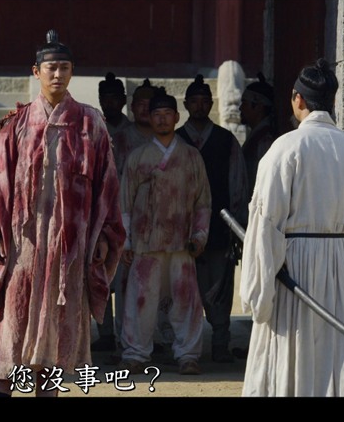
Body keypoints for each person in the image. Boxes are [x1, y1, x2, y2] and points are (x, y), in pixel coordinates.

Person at [0, 30, 125, 397]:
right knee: (14, 322)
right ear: (36, 71)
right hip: (22, 246)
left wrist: (104, 236)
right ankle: (2, 389)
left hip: (70, 247)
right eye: (51, 68)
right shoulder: (17, 124)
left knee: (57, 330)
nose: (58, 75)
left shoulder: (90, 124)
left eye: (65, 68)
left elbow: (107, 187)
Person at [240, 58, 344, 397]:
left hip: (297, 267)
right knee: (340, 356)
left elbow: (266, 226)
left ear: (298, 99)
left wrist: (259, 293)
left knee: (296, 354)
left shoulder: (284, 149)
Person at [117, 87, 211, 376]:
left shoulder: (192, 156)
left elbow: (203, 202)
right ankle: (135, 353)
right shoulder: (137, 157)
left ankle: (187, 354)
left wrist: (199, 235)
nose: (161, 119)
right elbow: (125, 203)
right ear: (150, 117)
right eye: (156, 114)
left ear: (176, 117)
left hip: (182, 241)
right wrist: (126, 241)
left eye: (167, 114)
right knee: (140, 301)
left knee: (185, 301)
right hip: (145, 242)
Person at [176, 74, 248, 363]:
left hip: (219, 226)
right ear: (185, 105)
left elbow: (238, 185)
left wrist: (238, 228)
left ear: (211, 104)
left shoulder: (225, 140)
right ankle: (184, 349)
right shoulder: (175, 140)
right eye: (194, 101)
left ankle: (220, 343)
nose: (199, 106)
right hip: (181, 229)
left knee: (220, 288)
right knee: (182, 290)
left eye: (204, 101)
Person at [90, 71, 129, 353]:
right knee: (99, 274)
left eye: (116, 98)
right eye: (106, 98)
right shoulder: (93, 130)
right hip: (99, 213)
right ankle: (104, 333)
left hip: (127, 212)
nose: (111, 103)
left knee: (127, 280)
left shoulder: (135, 135)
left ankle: (127, 335)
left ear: (124, 101)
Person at [239, 72, 277, 194]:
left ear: (258, 107)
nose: (240, 108)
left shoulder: (266, 140)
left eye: (244, 103)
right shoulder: (258, 136)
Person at [98, 71, 129, 137]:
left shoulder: (134, 130)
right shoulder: (93, 130)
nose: (109, 103)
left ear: (124, 100)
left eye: (114, 98)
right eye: (105, 99)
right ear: (100, 101)